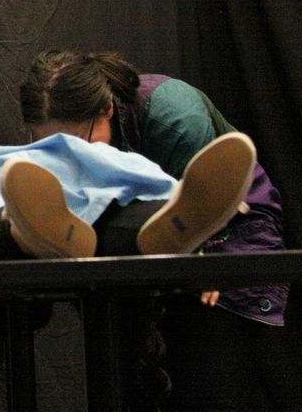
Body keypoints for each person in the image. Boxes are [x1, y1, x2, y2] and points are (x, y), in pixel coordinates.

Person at [0, 131, 257, 412]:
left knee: (9, 226)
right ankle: (160, 223)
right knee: (104, 220)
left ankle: (29, 235)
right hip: (50, 214)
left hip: (9, 224)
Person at [20, 50, 288, 411]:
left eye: (79, 143)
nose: (70, 160)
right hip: (136, 242)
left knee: (205, 386)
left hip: (226, 232)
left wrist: (202, 260)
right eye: (52, 147)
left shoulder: (175, 114)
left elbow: (206, 204)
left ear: (107, 109)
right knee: (127, 384)